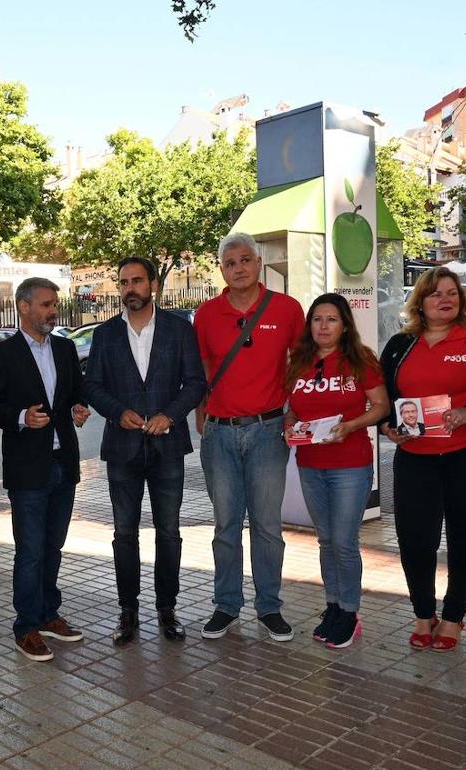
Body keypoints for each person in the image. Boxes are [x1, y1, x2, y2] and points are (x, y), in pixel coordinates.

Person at [380, 266, 466, 652]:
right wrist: (389, 426)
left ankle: (453, 618)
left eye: (452, 293)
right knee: (415, 540)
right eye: (436, 293)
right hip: (415, 458)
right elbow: (385, 400)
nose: (445, 299)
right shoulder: (401, 344)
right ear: (420, 301)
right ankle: (423, 614)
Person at [82, 257, 206, 645]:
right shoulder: (104, 335)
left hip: (167, 446)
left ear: (152, 284)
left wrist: (169, 415)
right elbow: (93, 386)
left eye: (137, 281)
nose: (129, 288)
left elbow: (196, 383)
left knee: (169, 532)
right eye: (123, 283)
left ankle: (167, 609)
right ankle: (128, 610)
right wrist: (118, 413)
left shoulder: (178, 330)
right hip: (123, 448)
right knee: (124, 532)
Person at [193, 232, 304, 641]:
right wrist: (200, 417)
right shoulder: (206, 315)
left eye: (245, 260)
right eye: (230, 262)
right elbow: (201, 370)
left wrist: (294, 406)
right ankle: (226, 605)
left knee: (267, 527)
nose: (238, 268)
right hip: (220, 435)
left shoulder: (288, 309)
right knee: (225, 527)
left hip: (268, 431)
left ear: (259, 263)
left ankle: (269, 607)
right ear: (221, 269)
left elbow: (302, 363)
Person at [0, 277, 91, 662]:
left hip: (64, 462)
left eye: (53, 304)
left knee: (53, 546)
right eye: (44, 304)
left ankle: (48, 613)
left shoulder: (64, 347)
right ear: (23, 307)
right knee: (30, 551)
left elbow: (76, 392)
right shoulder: (2, 354)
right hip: (29, 467)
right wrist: (22, 417)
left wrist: (79, 408)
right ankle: (25, 626)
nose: (52, 310)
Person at [284, 294, 389, 649]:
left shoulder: (361, 361)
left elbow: (381, 406)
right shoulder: (299, 362)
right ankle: (332, 605)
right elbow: (293, 410)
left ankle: (350, 611)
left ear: (344, 324)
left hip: (350, 464)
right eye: (317, 319)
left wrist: (351, 425)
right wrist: (290, 425)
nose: (323, 326)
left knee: (344, 542)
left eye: (331, 319)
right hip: (311, 464)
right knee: (325, 540)